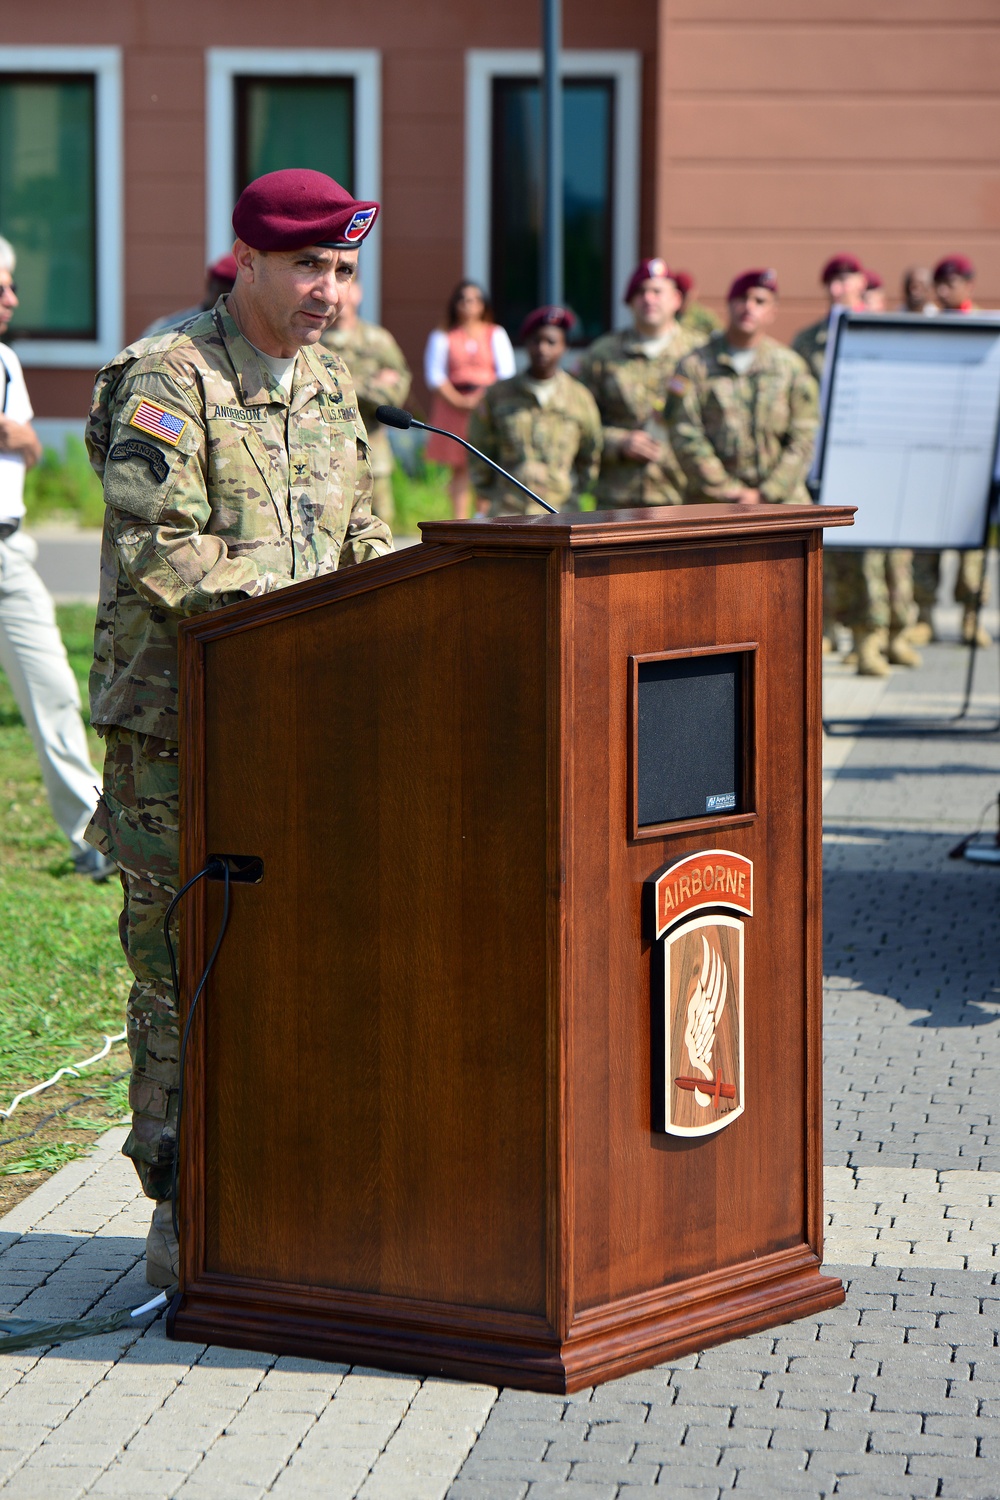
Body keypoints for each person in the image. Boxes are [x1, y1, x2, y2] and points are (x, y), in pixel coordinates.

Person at [82, 169, 392, 1288]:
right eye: (310, 266)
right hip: (180, 737)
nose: (330, 292)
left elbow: (367, 543)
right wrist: (316, 604)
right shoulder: (165, 381)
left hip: (300, 734)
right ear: (248, 260)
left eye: (345, 271)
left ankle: (287, 1188)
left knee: (296, 962)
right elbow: (164, 555)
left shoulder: (332, 390)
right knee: (181, 973)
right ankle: (184, 1206)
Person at [0, 234, 112, 881]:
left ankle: (90, 839)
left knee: (54, 692)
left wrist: (17, 436)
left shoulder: (8, 362)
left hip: (10, 550)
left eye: (12, 285)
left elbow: (30, 446)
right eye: (1, 288)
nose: (13, 299)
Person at [793, 255, 918, 675]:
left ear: (862, 283)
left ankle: (884, 635)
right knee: (838, 555)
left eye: (846, 279)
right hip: (827, 462)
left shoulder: (883, 332)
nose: (838, 287)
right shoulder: (809, 341)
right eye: (831, 280)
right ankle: (842, 630)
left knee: (884, 556)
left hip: (876, 459)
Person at [666, 268, 818, 507]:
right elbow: (685, 434)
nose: (749, 307)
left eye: (759, 301)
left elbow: (804, 437)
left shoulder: (790, 367)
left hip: (782, 503)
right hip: (713, 504)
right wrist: (731, 492)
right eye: (742, 299)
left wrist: (767, 493)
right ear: (729, 304)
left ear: (772, 312)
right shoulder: (695, 365)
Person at [577, 258, 705, 508]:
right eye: (640, 292)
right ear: (630, 301)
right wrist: (619, 442)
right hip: (619, 501)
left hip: (686, 498)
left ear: (676, 299)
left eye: (657, 291)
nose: (648, 298)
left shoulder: (700, 354)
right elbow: (579, 423)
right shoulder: (602, 355)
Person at [911, 254, 991, 647]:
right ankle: (924, 614)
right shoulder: (926, 326)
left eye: (953, 281)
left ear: (969, 285)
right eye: (940, 281)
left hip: (974, 454)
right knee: (926, 542)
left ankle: (971, 616)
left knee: (971, 544)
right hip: (932, 452)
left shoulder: (987, 326)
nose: (944, 289)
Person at [468, 306, 602, 515]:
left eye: (551, 342)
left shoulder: (579, 398)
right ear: (526, 344)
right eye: (536, 341)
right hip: (509, 512)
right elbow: (479, 447)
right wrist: (486, 491)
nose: (542, 349)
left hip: (562, 511)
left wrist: (573, 487)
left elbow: (590, 452)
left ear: (564, 347)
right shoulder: (498, 395)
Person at [321, 276, 411, 523]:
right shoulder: (312, 341)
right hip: (322, 456)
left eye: (347, 284)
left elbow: (394, 397)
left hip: (373, 456)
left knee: (379, 535)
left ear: (358, 292)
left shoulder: (378, 341)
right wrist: (371, 383)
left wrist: (339, 384)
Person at [423, 281, 515, 519]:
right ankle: (460, 519)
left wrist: (481, 399)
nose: (468, 305)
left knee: (484, 462)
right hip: (453, 405)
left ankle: (483, 517)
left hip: (487, 405)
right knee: (459, 465)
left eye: (474, 300)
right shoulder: (443, 335)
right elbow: (435, 375)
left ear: (483, 304)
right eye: (463, 300)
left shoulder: (495, 333)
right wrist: (459, 401)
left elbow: (506, 373)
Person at [141, 255, 239, 338]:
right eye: (222, 288)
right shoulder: (166, 329)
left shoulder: (245, 334)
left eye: (230, 289)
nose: (225, 297)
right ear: (210, 283)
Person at [674, 270, 722, 338]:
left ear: (693, 293)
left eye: (685, 296)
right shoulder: (668, 316)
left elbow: (719, 335)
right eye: (678, 295)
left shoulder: (703, 316)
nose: (681, 300)